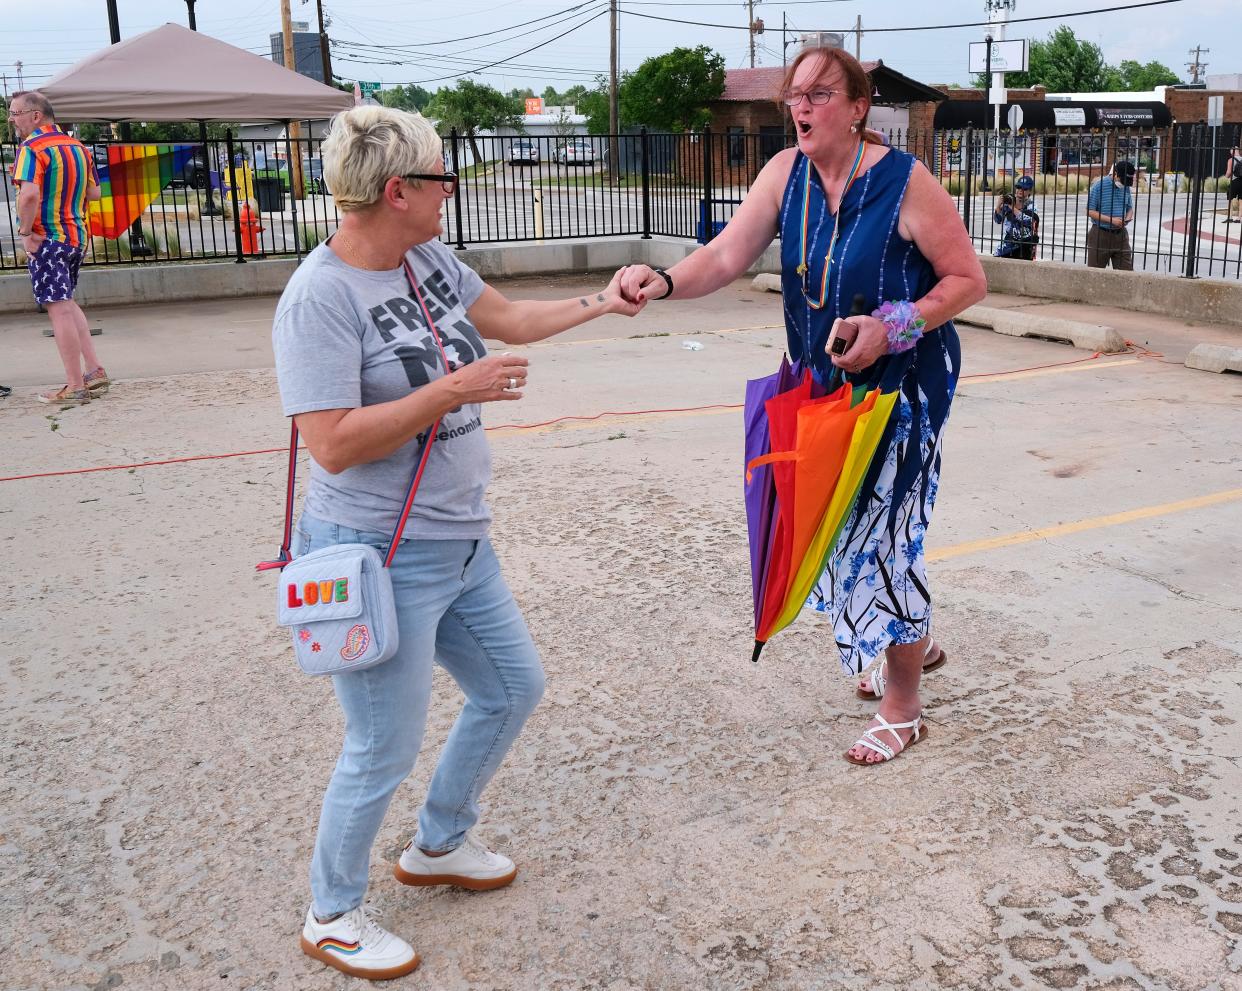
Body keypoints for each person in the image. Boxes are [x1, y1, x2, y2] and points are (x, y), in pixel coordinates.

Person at [272, 105, 644, 981]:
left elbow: (508, 317)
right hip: (376, 551)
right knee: (381, 744)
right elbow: (330, 441)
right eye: (441, 177)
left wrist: (603, 299)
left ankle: (438, 841)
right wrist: (451, 390)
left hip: (461, 542)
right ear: (397, 190)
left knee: (514, 686)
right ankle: (331, 911)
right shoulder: (319, 297)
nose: (451, 191)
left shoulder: (426, 257)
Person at [618, 47, 986, 766]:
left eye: (820, 94)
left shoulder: (908, 184)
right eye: (796, 95)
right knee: (832, 526)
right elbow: (725, 256)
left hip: (900, 396)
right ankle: (914, 637)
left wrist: (893, 325)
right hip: (818, 390)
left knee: (884, 542)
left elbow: (967, 280)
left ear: (858, 107)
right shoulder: (784, 174)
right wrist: (661, 280)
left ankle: (903, 705)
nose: (803, 107)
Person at [8, 90, 110, 405]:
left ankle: (74, 384)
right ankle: (93, 371)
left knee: (58, 308)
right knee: (67, 303)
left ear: (35, 116)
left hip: (47, 238)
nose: (12, 119)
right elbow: (94, 193)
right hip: (76, 235)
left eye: (15, 113)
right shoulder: (77, 147)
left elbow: (28, 196)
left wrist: (26, 232)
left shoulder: (31, 148)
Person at [1085, 160, 1136, 270]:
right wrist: (1112, 220)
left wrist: (1127, 218)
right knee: (1095, 274)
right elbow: (1089, 211)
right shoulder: (1099, 186)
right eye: (1122, 181)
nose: (1124, 184)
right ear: (1115, 174)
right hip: (1100, 234)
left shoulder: (1125, 186)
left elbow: (1130, 208)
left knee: (1126, 274)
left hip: (1121, 235)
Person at [993, 174, 1039, 260]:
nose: (1020, 191)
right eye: (1018, 187)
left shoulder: (1031, 205)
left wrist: (1012, 208)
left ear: (1029, 191)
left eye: (1024, 189)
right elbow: (998, 220)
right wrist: (998, 206)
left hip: (1024, 245)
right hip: (1008, 245)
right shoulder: (1009, 200)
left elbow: (1029, 221)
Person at [1225, 144, 1242, 224]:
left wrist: (1226, 176)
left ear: (1233, 152)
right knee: (1241, 200)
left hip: (1235, 181)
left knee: (1230, 199)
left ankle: (1230, 217)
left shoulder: (1231, 160)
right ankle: (1239, 218)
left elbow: (1228, 173)